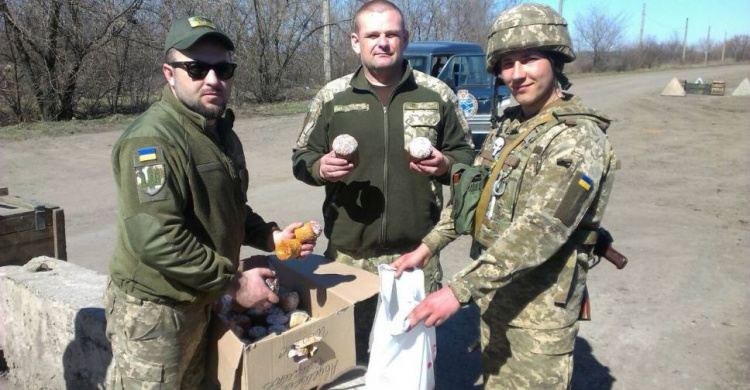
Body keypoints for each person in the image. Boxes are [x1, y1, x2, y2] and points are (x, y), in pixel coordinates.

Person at [392, 3, 618, 389]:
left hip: (539, 313)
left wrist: (457, 290)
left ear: (555, 61)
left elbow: (541, 229)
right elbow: (474, 194)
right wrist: (428, 247)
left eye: (529, 59)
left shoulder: (577, 139)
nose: (517, 74)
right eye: (507, 63)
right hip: (495, 296)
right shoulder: (510, 125)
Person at [104, 16, 314, 389]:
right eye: (197, 68)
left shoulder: (217, 130)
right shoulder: (153, 141)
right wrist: (234, 284)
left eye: (223, 68)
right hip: (157, 314)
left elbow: (228, 206)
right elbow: (157, 240)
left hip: (202, 298)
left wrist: (271, 237)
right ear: (170, 74)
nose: (213, 79)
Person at [292, 0, 475, 363]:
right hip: (348, 260)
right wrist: (319, 169)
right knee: (347, 363)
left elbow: (468, 158)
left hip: (417, 256)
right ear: (355, 42)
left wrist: (444, 165)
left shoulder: (436, 94)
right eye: (372, 34)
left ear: (405, 38)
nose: (383, 42)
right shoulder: (333, 97)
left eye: (391, 34)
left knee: (410, 366)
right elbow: (301, 158)